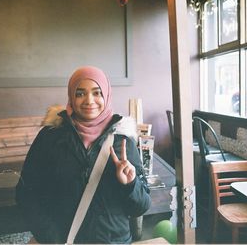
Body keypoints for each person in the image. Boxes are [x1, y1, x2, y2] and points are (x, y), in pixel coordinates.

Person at [15, 66, 151, 244]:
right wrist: (50, 238)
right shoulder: (50, 137)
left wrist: (130, 185)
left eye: (97, 93)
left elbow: (140, 207)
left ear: (106, 96)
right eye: (80, 93)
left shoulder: (123, 141)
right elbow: (26, 193)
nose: (89, 100)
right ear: (71, 97)